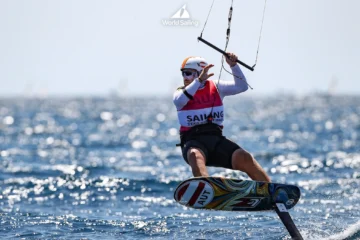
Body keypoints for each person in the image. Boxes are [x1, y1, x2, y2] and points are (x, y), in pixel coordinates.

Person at [173, 53, 271, 182]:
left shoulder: (217, 87)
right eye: (184, 73)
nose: (185, 77)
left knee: (244, 157)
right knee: (195, 155)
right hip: (193, 142)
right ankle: (206, 188)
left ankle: (270, 192)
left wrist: (233, 65)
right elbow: (179, 101)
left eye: (189, 73)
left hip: (216, 140)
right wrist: (199, 81)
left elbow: (242, 87)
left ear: (200, 72)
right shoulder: (181, 93)